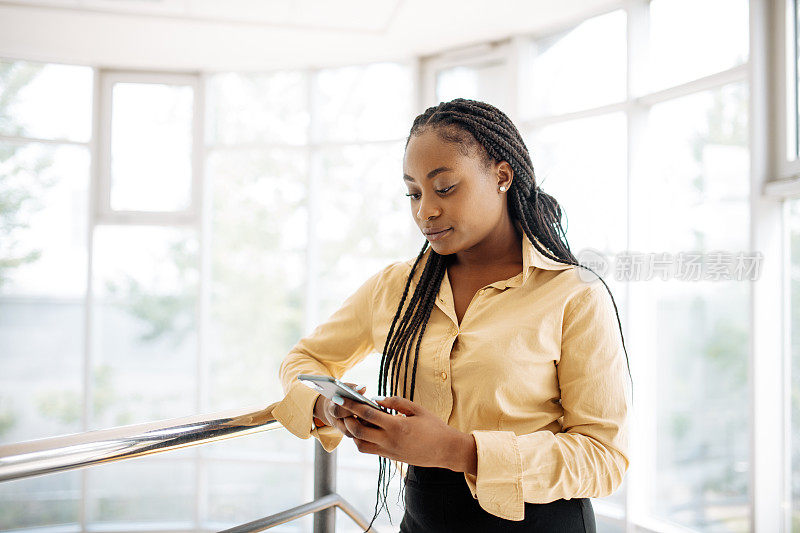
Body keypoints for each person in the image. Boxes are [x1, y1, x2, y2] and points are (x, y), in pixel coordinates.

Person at [267, 98, 632, 533]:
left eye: (444, 188)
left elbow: (604, 458)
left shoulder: (572, 295)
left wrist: (460, 450)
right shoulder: (397, 287)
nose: (425, 211)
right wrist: (328, 408)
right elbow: (303, 361)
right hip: (422, 520)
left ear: (501, 176)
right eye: (414, 193)